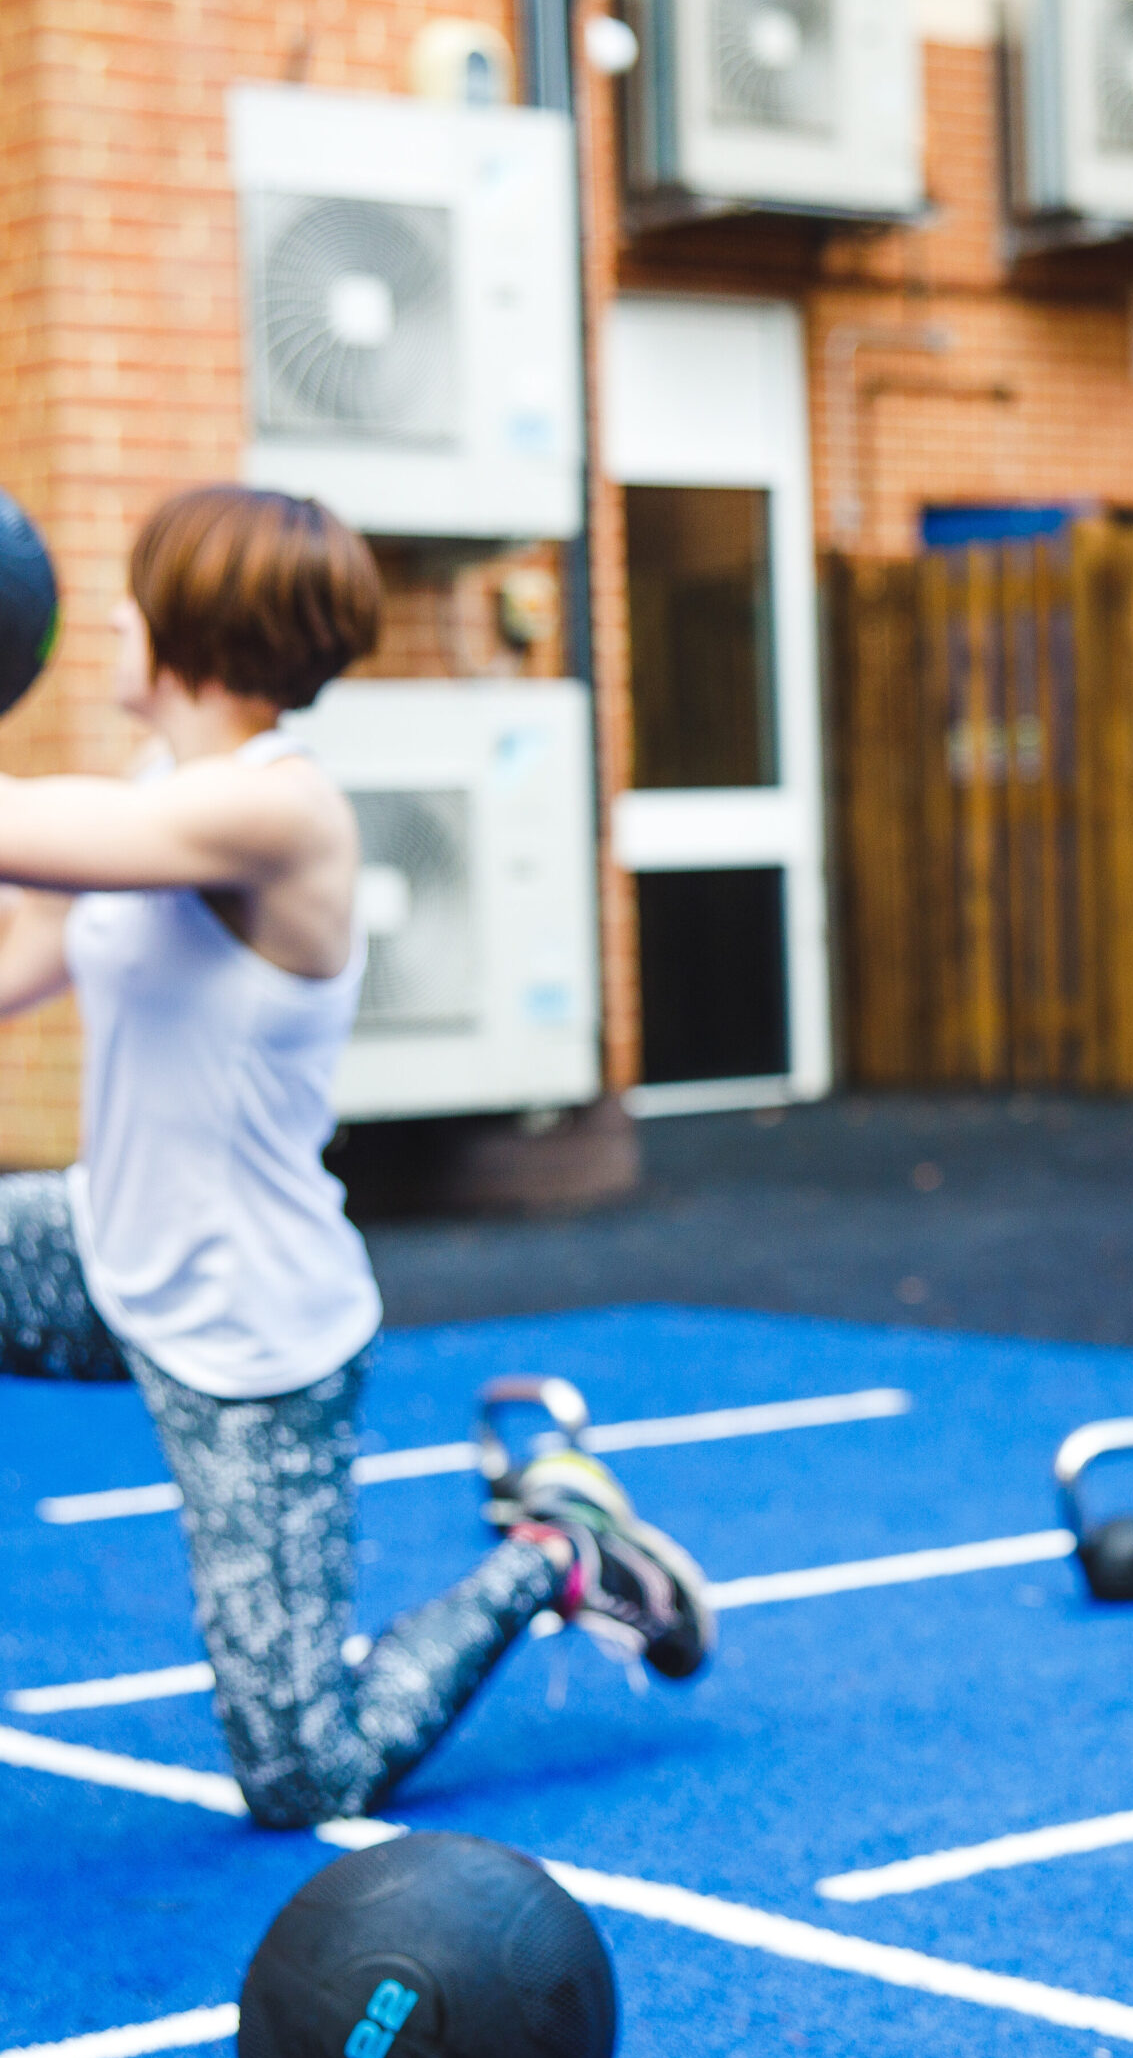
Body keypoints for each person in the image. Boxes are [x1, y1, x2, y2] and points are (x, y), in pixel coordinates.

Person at [0, 484, 714, 1828]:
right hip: (109, 1246)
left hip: (253, 1334)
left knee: (299, 1773)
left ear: (198, 630)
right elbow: (17, 954)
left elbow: (28, 829)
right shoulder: (159, 797)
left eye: (136, 596)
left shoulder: (280, 817)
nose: (106, 618)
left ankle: (554, 1556)